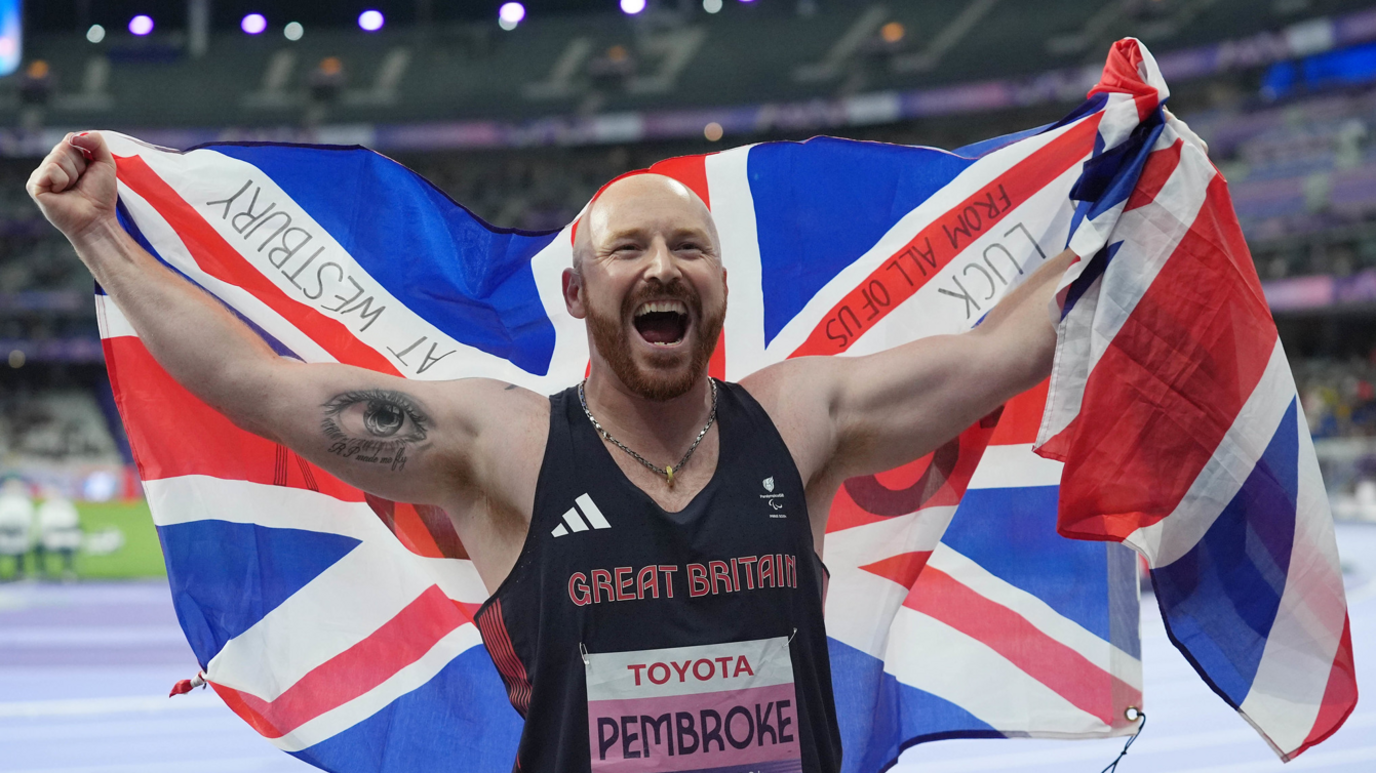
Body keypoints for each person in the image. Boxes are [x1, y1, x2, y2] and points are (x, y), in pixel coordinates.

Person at [29, 131, 1074, 773]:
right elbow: (257, 386)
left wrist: (1115, 204)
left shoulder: (800, 418)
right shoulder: (506, 444)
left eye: (686, 248)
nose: (660, 263)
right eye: (627, 248)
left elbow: (1003, 349)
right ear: (578, 295)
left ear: (719, 288)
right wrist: (99, 238)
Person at [0, 479, 36, 580]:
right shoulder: (2, 501)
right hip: (4, 533)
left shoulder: (24, 502)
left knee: (21, 550)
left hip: (19, 533)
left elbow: (29, 518)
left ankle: (19, 573)